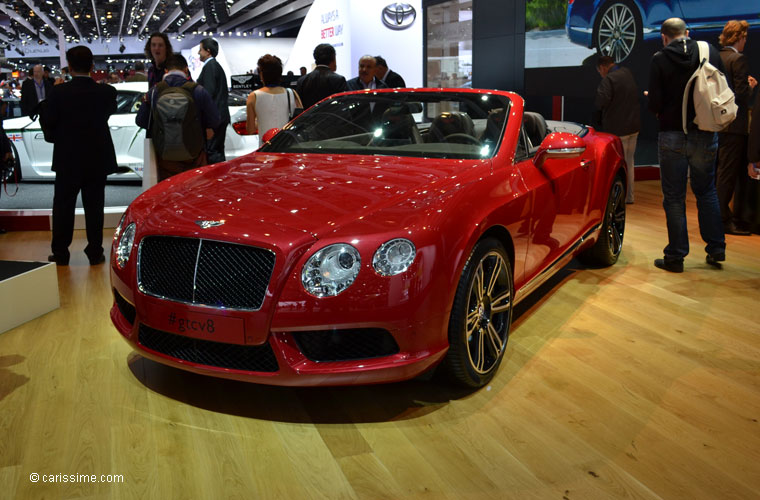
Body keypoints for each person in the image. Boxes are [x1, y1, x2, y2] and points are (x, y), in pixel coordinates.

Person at [647, 17, 726, 272]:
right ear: (687, 33)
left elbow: (655, 104)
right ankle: (716, 248)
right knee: (706, 191)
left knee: (674, 197)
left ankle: (676, 257)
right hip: (705, 132)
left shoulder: (659, 59)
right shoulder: (709, 51)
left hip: (672, 134)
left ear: (664, 37)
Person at [43, 46, 118, 266]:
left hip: (68, 159)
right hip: (97, 158)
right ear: (92, 66)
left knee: (63, 207)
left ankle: (61, 253)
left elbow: (49, 122)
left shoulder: (58, 93)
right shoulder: (107, 92)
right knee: (95, 206)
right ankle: (95, 252)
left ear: (69, 66)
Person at [135, 54, 220, 181]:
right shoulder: (198, 90)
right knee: (194, 191)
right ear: (186, 69)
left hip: (165, 157)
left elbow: (141, 121)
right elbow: (215, 120)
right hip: (194, 155)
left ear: (166, 70)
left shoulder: (154, 91)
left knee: (169, 192)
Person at [716, 20, 757, 236]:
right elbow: (740, 94)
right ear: (739, 37)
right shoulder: (738, 59)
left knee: (721, 173)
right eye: (745, 38)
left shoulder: (718, 57)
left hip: (718, 125)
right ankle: (722, 220)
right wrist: (750, 87)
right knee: (728, 176)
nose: (745, 42)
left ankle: (723, 216)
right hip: (735, 126)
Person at [593, 55, 641, 204]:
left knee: (615, 165)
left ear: (602, 67)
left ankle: (615, 198)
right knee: (629, 162)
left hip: (617, 130)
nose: (601, 74)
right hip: (633, 127)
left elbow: (600, 102)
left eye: (599, 71)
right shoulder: (627, 73)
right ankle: (629, 197)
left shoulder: (608, 80)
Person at [246, 54, 303, 140]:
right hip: (288, 144)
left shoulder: (254, 96)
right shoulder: (291, 93)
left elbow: (250, 129)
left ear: (262, 75)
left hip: (266, 145)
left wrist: (261, 122)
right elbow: (301, 120)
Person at [197, 38, 230, 164]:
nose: (198, 53)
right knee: (217, 150)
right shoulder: (214, 66)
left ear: (208, 51)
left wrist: (208, 122)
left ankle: (215, 181)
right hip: (219, 117)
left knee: (212, 152)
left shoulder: (210, 67)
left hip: (214, 119)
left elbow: (208, 94)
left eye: (200, 49)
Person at [296, 43, 347, 110]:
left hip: (308, 119)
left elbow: (300, 108)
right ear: (333, 58)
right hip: (331, 119)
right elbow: (343, 106)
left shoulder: (302, 80)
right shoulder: (339, 80)